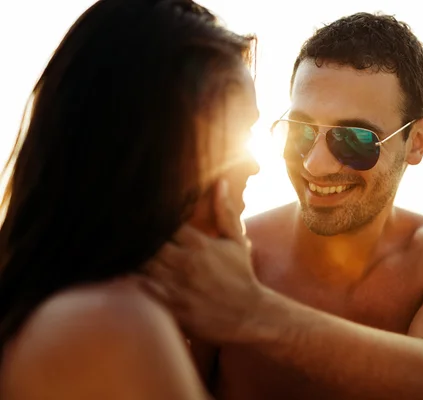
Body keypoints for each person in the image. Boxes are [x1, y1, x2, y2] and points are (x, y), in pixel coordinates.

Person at [149, 11, 423, 400]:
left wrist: (252, 313)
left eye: (354, 139)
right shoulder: (233, 256)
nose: (315, 164)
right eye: (300, 131)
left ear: (416, 141)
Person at [0, 0, 260, 399]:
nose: (254, 166)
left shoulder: (69, 306)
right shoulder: (110, 322)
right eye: (232, 135)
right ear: (153, 151)